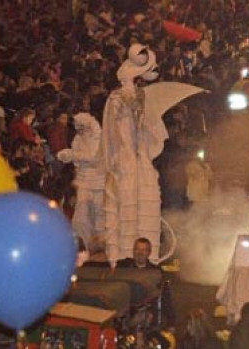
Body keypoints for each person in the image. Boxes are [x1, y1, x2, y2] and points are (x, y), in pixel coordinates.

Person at [100, 43, 166, 264]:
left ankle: (148, 257)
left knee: (146, 203)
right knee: (124, 205)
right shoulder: (115, 99)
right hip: (125, 160)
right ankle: (122, 256)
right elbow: (112, 131)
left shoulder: (141, 99)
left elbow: (152, 130)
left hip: (140, 159)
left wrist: (141, 111)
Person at [58, 113, 105, 250]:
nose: (80, 130)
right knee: (82, 212)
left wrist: (72, 155)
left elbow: (93, 157)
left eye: (82, 127)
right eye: (78, 127)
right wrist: (66, 155)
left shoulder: (99, 138)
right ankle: (82, 243)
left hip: (99, 180)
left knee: (99, 212)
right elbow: (76, 155)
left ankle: (100, 243)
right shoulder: (78, 139)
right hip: (84, 179)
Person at [115, 238, 176, 329]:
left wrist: (171, 323)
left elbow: (165, 297)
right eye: (137, 249)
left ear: (149, 252)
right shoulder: (123, 268)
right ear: (133, 251)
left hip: (148, 318)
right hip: (124, 314)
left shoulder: (156, 273)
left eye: (144, 250)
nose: (140, 252)